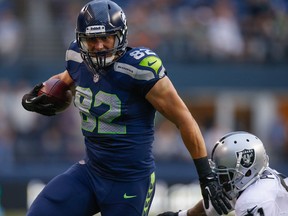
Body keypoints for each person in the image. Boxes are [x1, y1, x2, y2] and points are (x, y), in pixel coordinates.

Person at [21, 1, 231, 215]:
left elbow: (184, 120)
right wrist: (40, 92)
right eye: (92, 39)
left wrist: (206, 175)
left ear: (120, 36)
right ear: (81, 40)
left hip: (129, 182)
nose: (100, 45)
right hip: (91, 172)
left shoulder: (139, 69)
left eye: (106, 37)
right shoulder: (77, 58)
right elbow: (67, 79)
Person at [158, 131, 288, 216]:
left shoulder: (252, 200)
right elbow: (210, 208)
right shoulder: (253, 181)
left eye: (225, 175)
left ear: (246, 170)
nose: (220, 180)